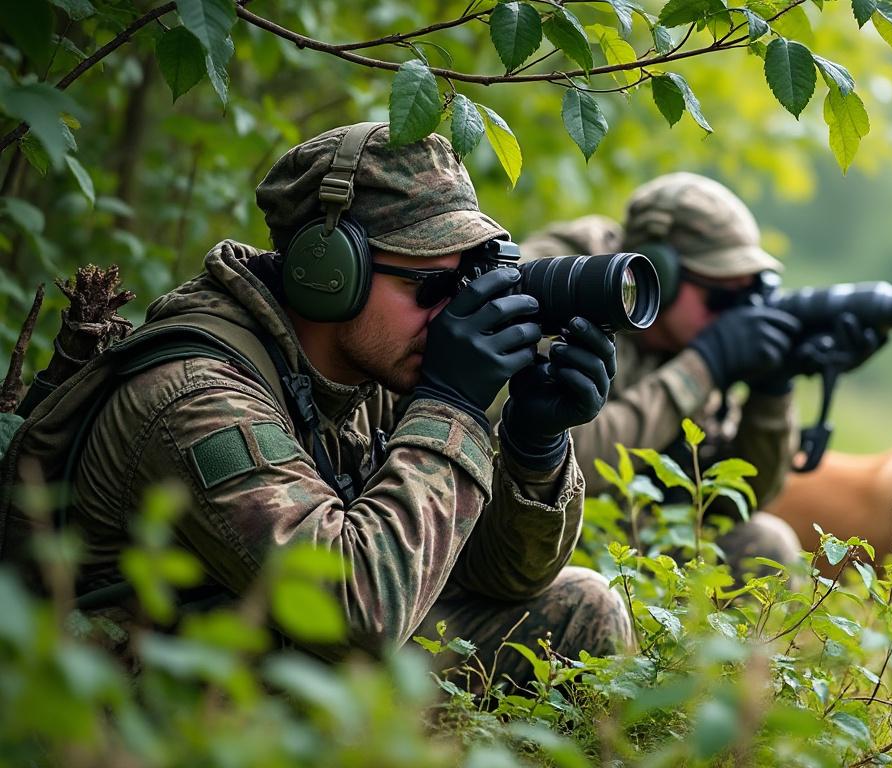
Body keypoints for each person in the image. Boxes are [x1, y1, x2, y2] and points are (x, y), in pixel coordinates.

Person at [1, 122, 633, 684]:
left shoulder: (364, 377)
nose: (451, 316)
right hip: (155, 710)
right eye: (432, 285)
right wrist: (454, 408)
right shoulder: (196, 398)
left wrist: (532, 445)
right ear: (329, 271)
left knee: (581, 606)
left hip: (277, 664)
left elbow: (500, 578)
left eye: (466, 283)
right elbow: (358, 615)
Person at [521, 173, 887, 575]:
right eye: (723, 296)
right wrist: (702, 367)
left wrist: (772, 387)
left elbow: (733, 503)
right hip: (538, 532)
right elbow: (562, 458)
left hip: (629, 536)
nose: (733, 314)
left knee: (764, 544)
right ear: (662, 273)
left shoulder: (682, 338)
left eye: (746, 295)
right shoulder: (563, 287)